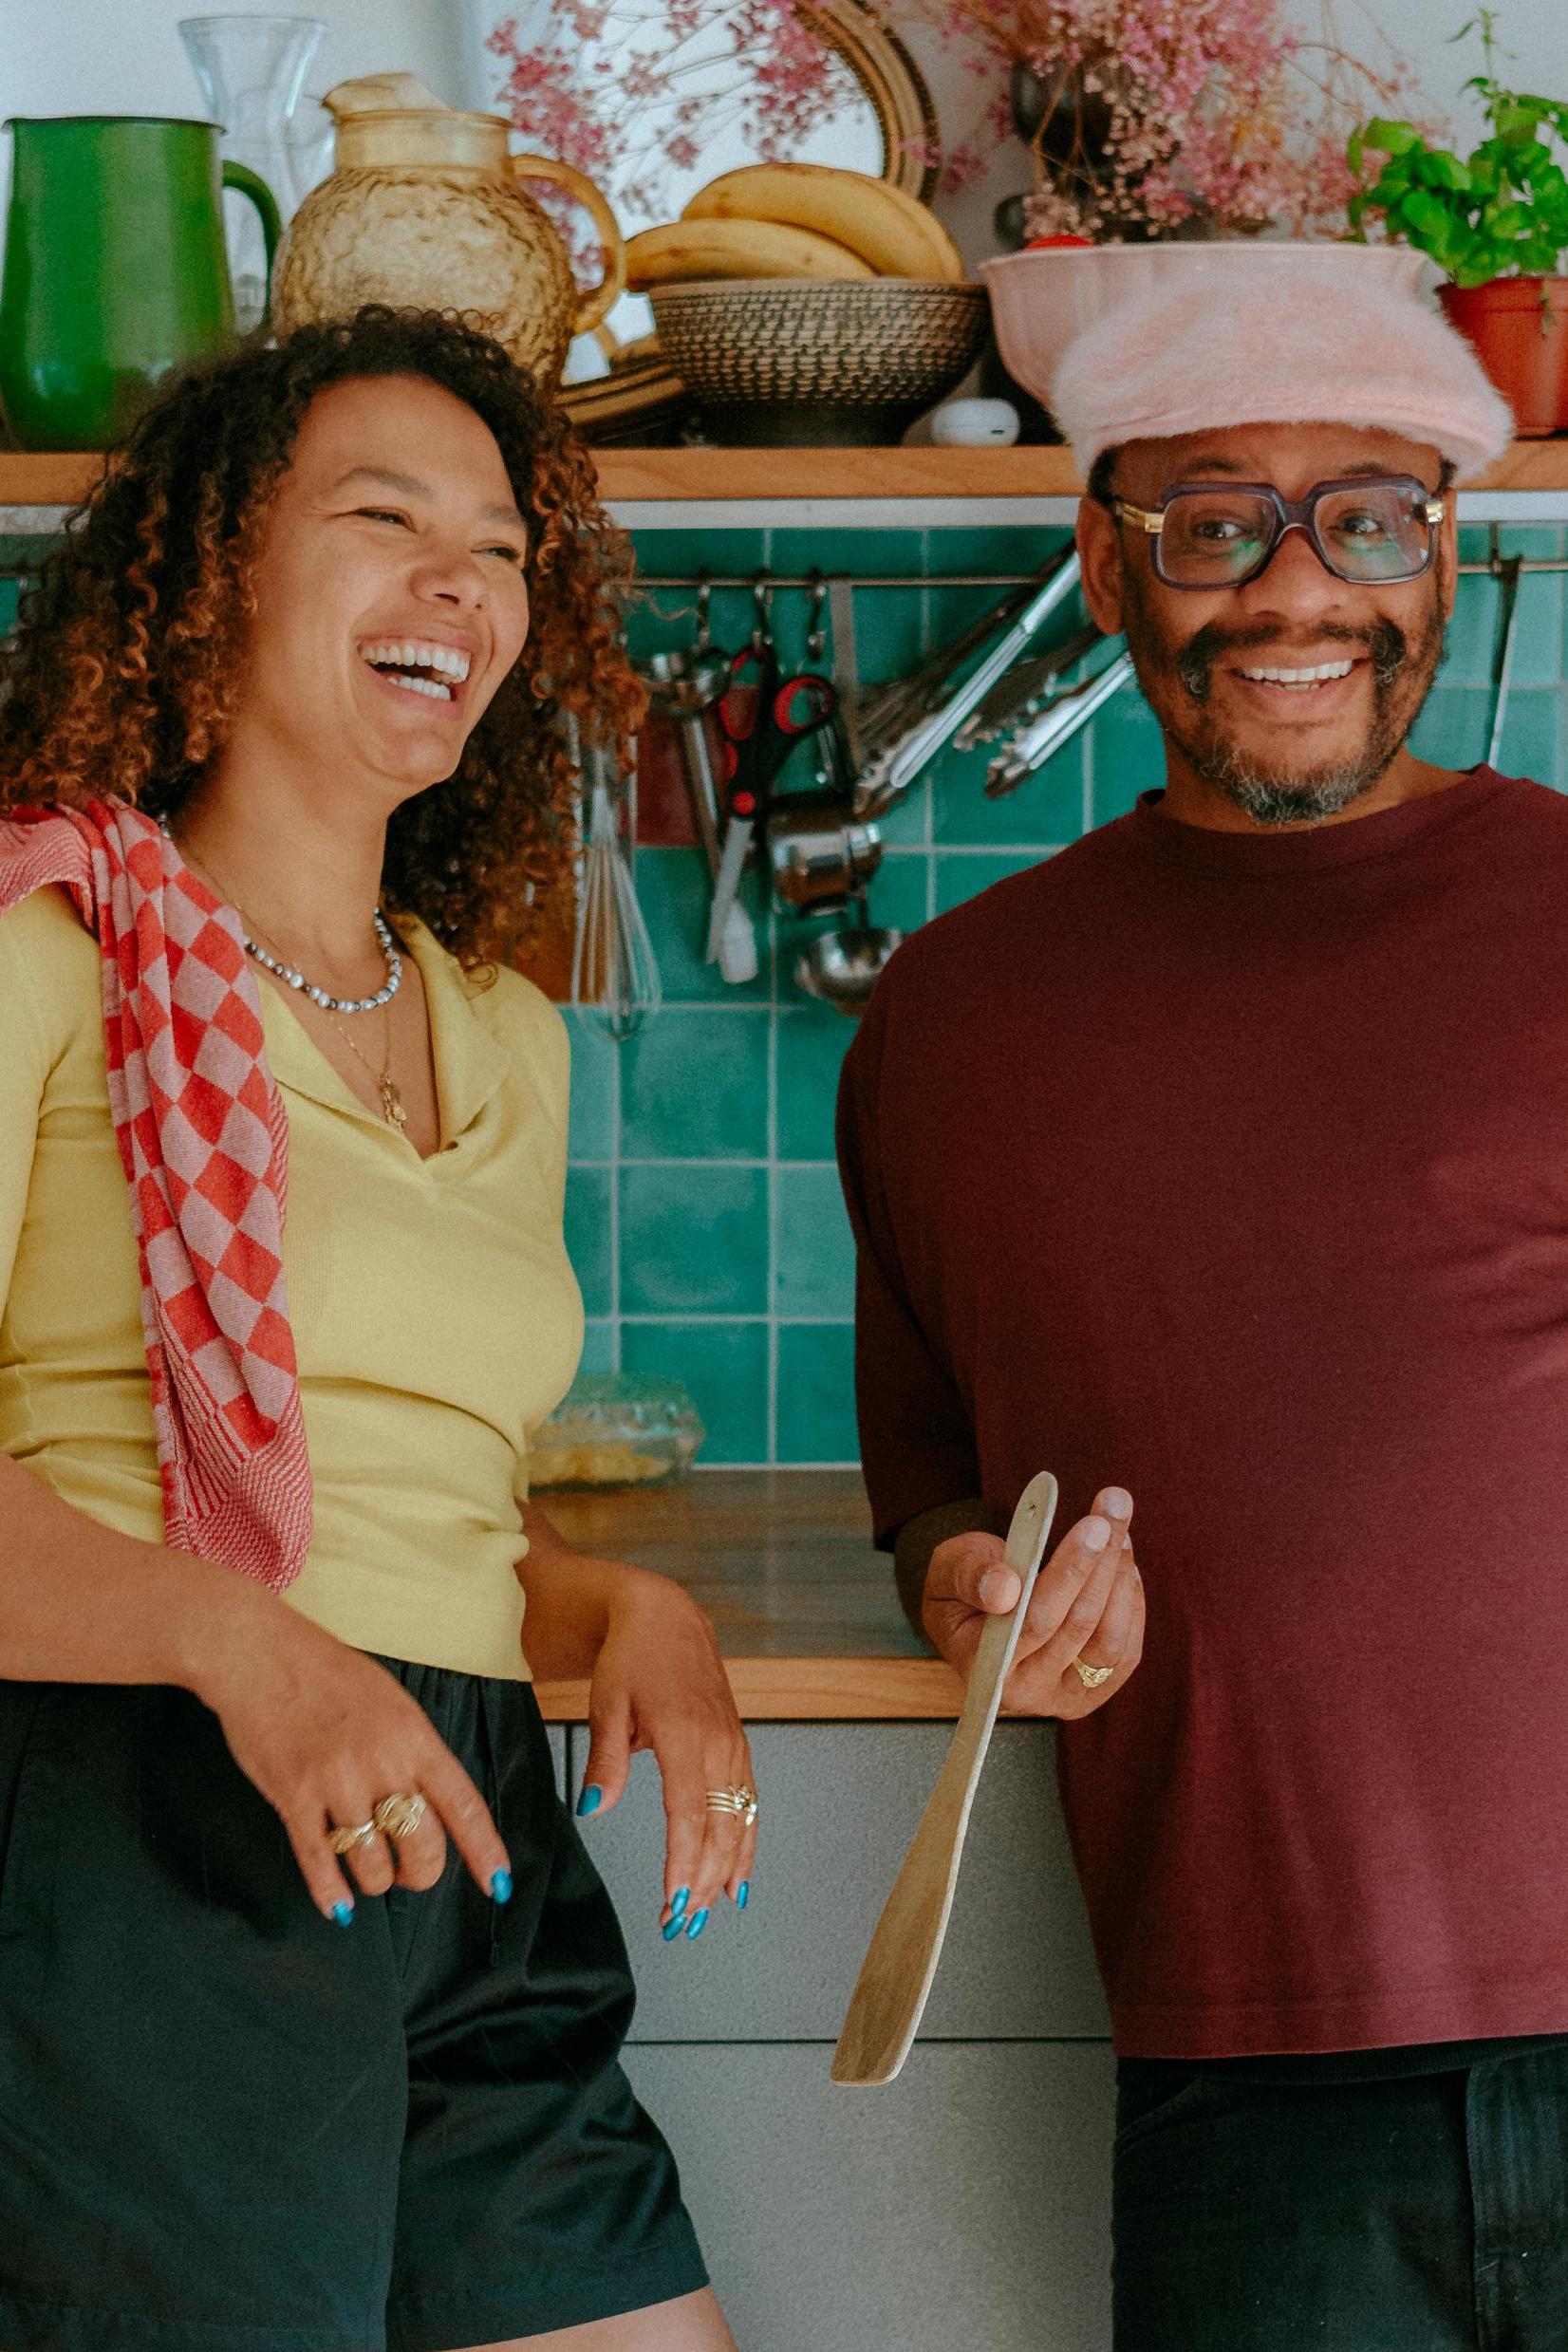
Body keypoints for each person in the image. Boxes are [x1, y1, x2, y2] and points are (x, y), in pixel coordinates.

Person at [0, 307, 756, 2352]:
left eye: (499, 548)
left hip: (465, 1815)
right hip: (157, 1815)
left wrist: (620, 1607)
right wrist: (250, 1650)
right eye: (383, 519)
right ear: (218, 573)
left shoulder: (505, 1032)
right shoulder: (48, 946)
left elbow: (423, 1506)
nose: (459, 583)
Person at [834, 261, 1568, 2349]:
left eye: (1367, 516)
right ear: (1105, 563)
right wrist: (970, 1583)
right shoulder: (957, 1023)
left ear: (1445, 553)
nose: (1297, 589)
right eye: (1215, 521)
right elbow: (932, 1478)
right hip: (1252, 2079)